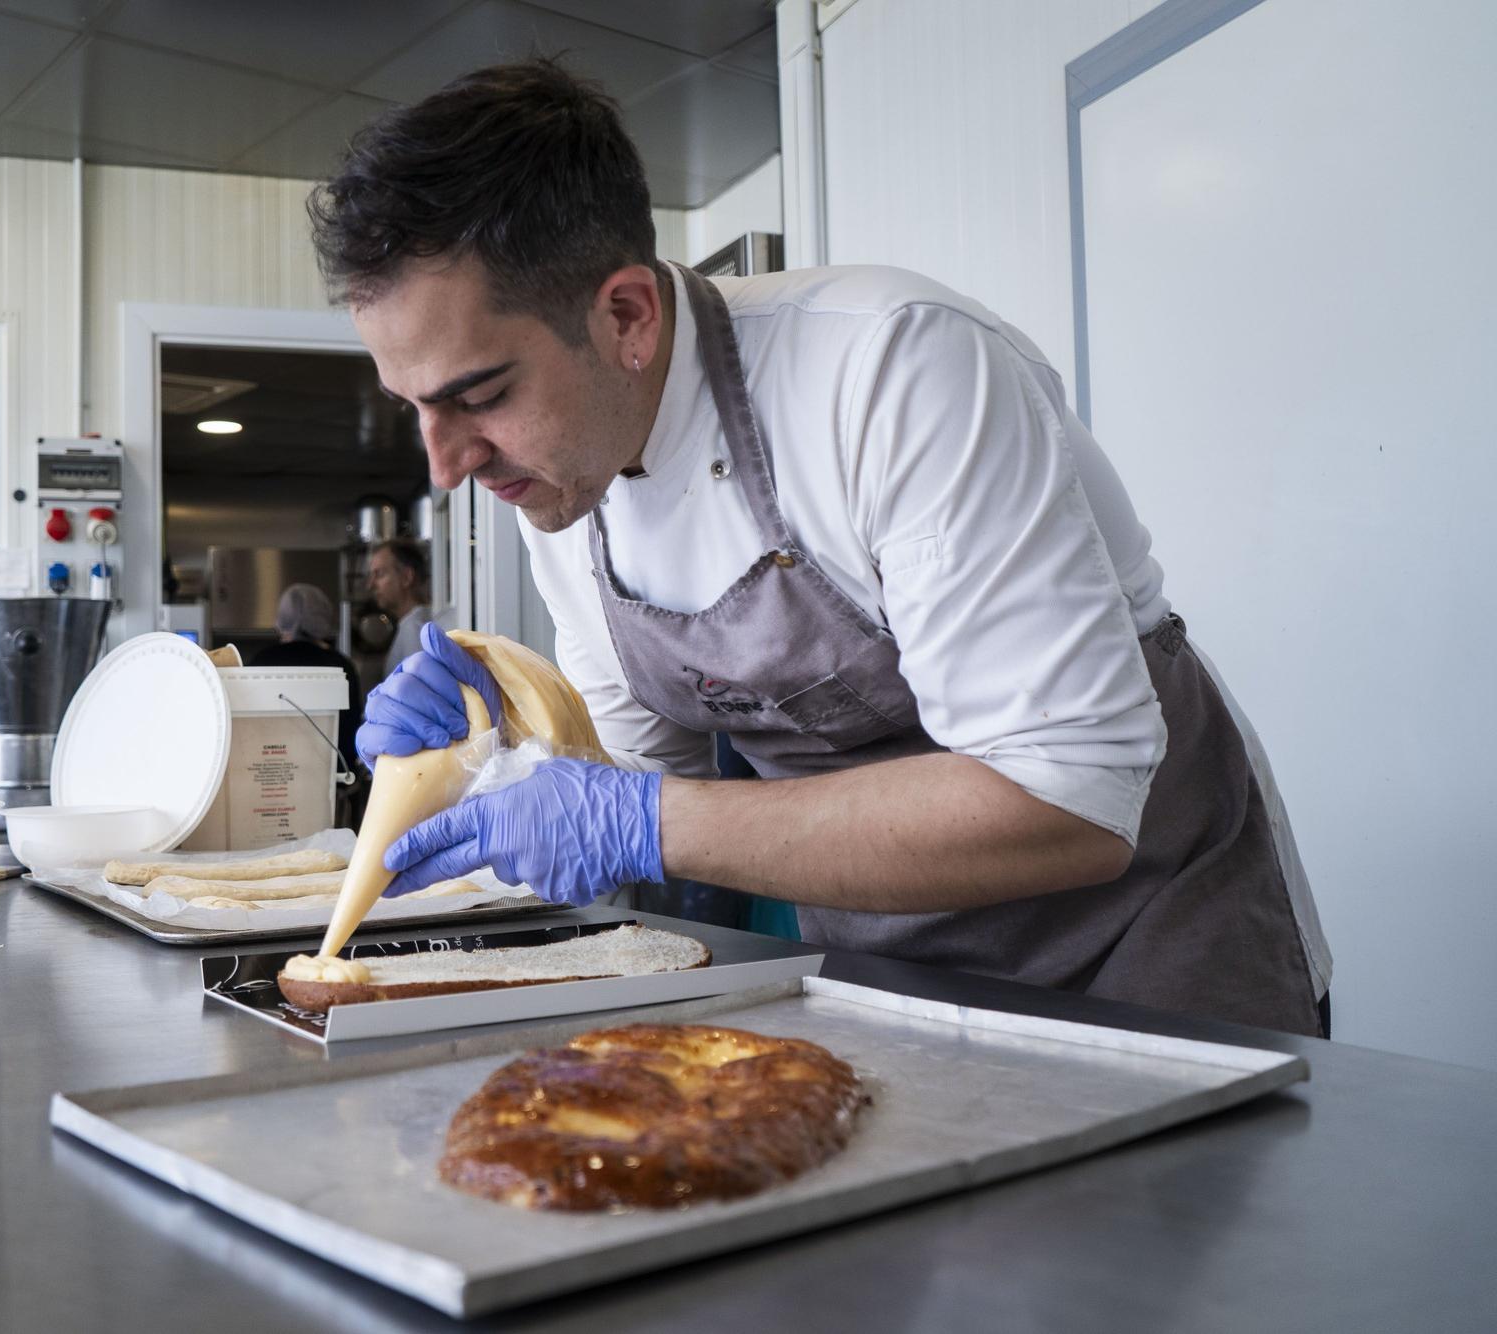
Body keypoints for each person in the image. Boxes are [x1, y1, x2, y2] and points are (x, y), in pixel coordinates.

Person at [309, 60, 1331, 1037]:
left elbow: (1067, 796)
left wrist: (637, 819)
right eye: (414, 408)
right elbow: (641, 794)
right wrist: (498, 764)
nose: (443, 466)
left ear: (625, 314)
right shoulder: (565, 491)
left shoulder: (889, 371)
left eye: (478, 395)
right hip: (890, 976)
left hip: (1150, 952)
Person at [247, 583, 363, 777]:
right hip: (333, 780)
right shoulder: (342, 665)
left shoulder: (262, 661)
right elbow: (351, 732)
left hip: (271, 779)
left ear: (281, 620)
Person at [367, 538, 432, 672]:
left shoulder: (414, 630)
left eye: (379, 574)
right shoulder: (410, 625)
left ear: (407, 577)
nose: (370, 585)